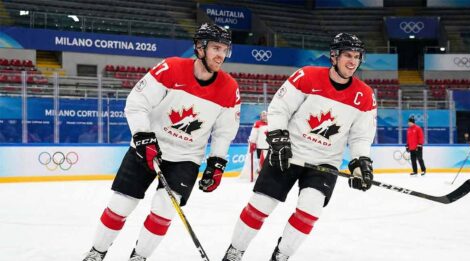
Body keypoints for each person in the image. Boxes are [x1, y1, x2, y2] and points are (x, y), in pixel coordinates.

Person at [82, 23, 240, 261]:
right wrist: (143, 135)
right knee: (120, 205)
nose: (221, 55)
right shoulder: (171, 68)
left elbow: (224, 132)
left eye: (225, 49)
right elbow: (137, 102)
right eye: (216, 47)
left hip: (186, 158)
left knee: (165, 208)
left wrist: (216, 162)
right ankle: (97, 252)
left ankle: (139, 257)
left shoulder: (230, 87)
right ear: (200, 47)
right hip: (148, 146)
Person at [221, 32, 377, 261]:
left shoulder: (364, 95)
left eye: (356, 56)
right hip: (289, 153)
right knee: (260, 205)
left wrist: (360, 161)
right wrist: (279, 137)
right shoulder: (308, 76)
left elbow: (361, 136)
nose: (353, 61)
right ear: (334, 56)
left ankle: (281, 256)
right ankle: (235, 252)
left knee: (310, 210)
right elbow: (279, 108)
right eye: (347, 55)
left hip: (324, 163)